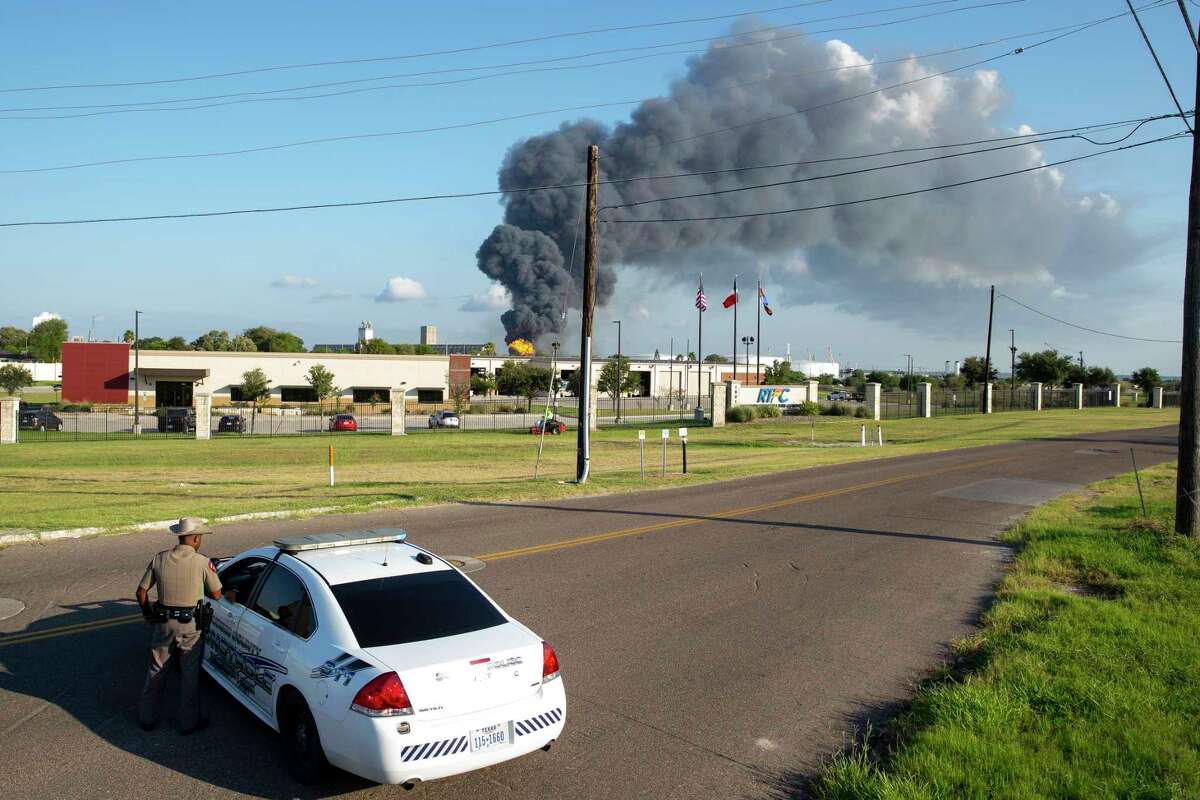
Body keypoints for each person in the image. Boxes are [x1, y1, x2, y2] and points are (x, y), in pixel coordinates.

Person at [135, 516, 222, 734]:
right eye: (199, 537)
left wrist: (148, 615)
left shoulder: (159, 559)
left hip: (164, 623)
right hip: (191, 626)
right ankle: (188, 723)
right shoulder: (202, 562)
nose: (200, 540)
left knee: (156, 670)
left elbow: (141, 592)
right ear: (194, 538)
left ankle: (147, 718)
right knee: (189, 675)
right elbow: (217, 594)